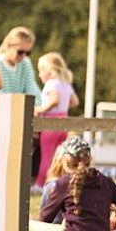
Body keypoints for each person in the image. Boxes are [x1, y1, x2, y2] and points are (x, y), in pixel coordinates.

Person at [33, 135, 116, 231]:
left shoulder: (63, 183)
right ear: (89, 159)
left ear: (65, 161)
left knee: (28, 226)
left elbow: (45, 218)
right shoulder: (105, 181)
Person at [0, 26, 43, 186]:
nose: (24, 56)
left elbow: (31, 87)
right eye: (20, 52)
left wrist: (40, 106)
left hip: (16, 112)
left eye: (28, 52)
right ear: (8, 46)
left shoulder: (25, 64)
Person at [33, 52, 78, 191]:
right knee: (60, 157)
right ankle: (60, 183)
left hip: (51, 123)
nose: (40, 75)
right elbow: (75, 102)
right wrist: (63, 107)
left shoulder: (51, 84)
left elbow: (55, 100)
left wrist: (41, 109)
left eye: (41, 71)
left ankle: (41, 185)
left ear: (48, 70)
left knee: (47, 156)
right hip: (64, 122)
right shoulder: (65, 84)